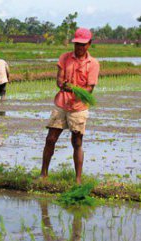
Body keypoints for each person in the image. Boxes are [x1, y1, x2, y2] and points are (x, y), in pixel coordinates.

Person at [40, 28, 100, 184]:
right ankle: (43, 174)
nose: (79, 47)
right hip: (61, 104)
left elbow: (89, 89)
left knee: (77, 142)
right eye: (77, 44)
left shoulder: (93, 64)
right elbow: (59, 80)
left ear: (89, 44)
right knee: (50, 139)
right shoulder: (65, 58)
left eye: (82, 44)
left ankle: (78, 179)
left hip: (79, 107)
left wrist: (73, 88)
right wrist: (63, 85)